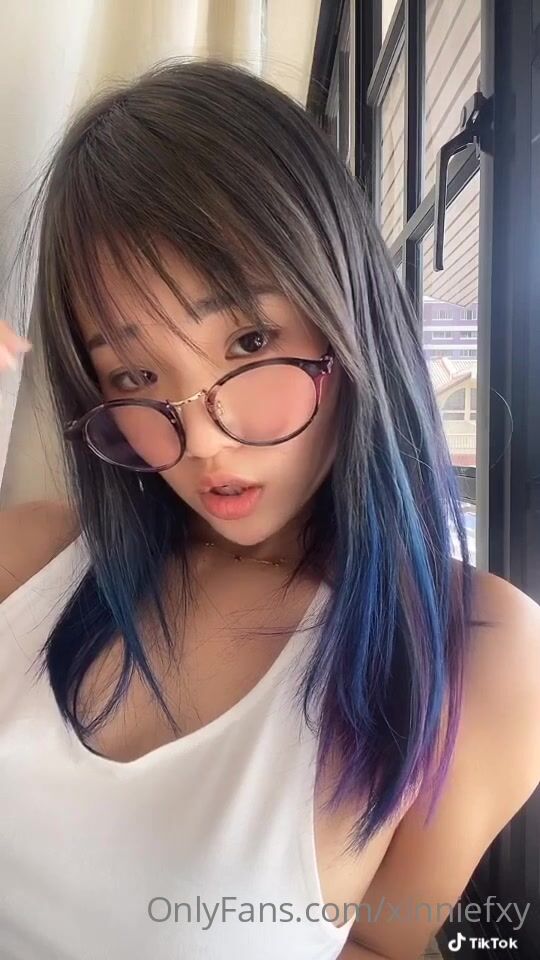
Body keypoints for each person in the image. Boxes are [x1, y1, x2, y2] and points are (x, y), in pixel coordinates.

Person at [0, 58, 539, 960]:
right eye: (134, 376)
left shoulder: (479, 651)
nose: (205, 442)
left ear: (344, 309)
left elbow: (381, 947)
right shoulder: (28, 562)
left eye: (249, 341)